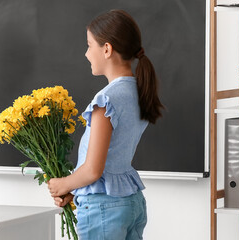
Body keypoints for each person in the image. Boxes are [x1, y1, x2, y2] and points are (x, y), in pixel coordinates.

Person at [47, 10, 163, 239]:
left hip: (103, 208)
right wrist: (75, 189)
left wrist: (63, 184)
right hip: (131, 203)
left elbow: (93, 170)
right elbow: (109, 165)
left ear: (107, 49)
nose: (87, 53)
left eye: (90, 45)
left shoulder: (106, 100)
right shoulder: (137, 92)